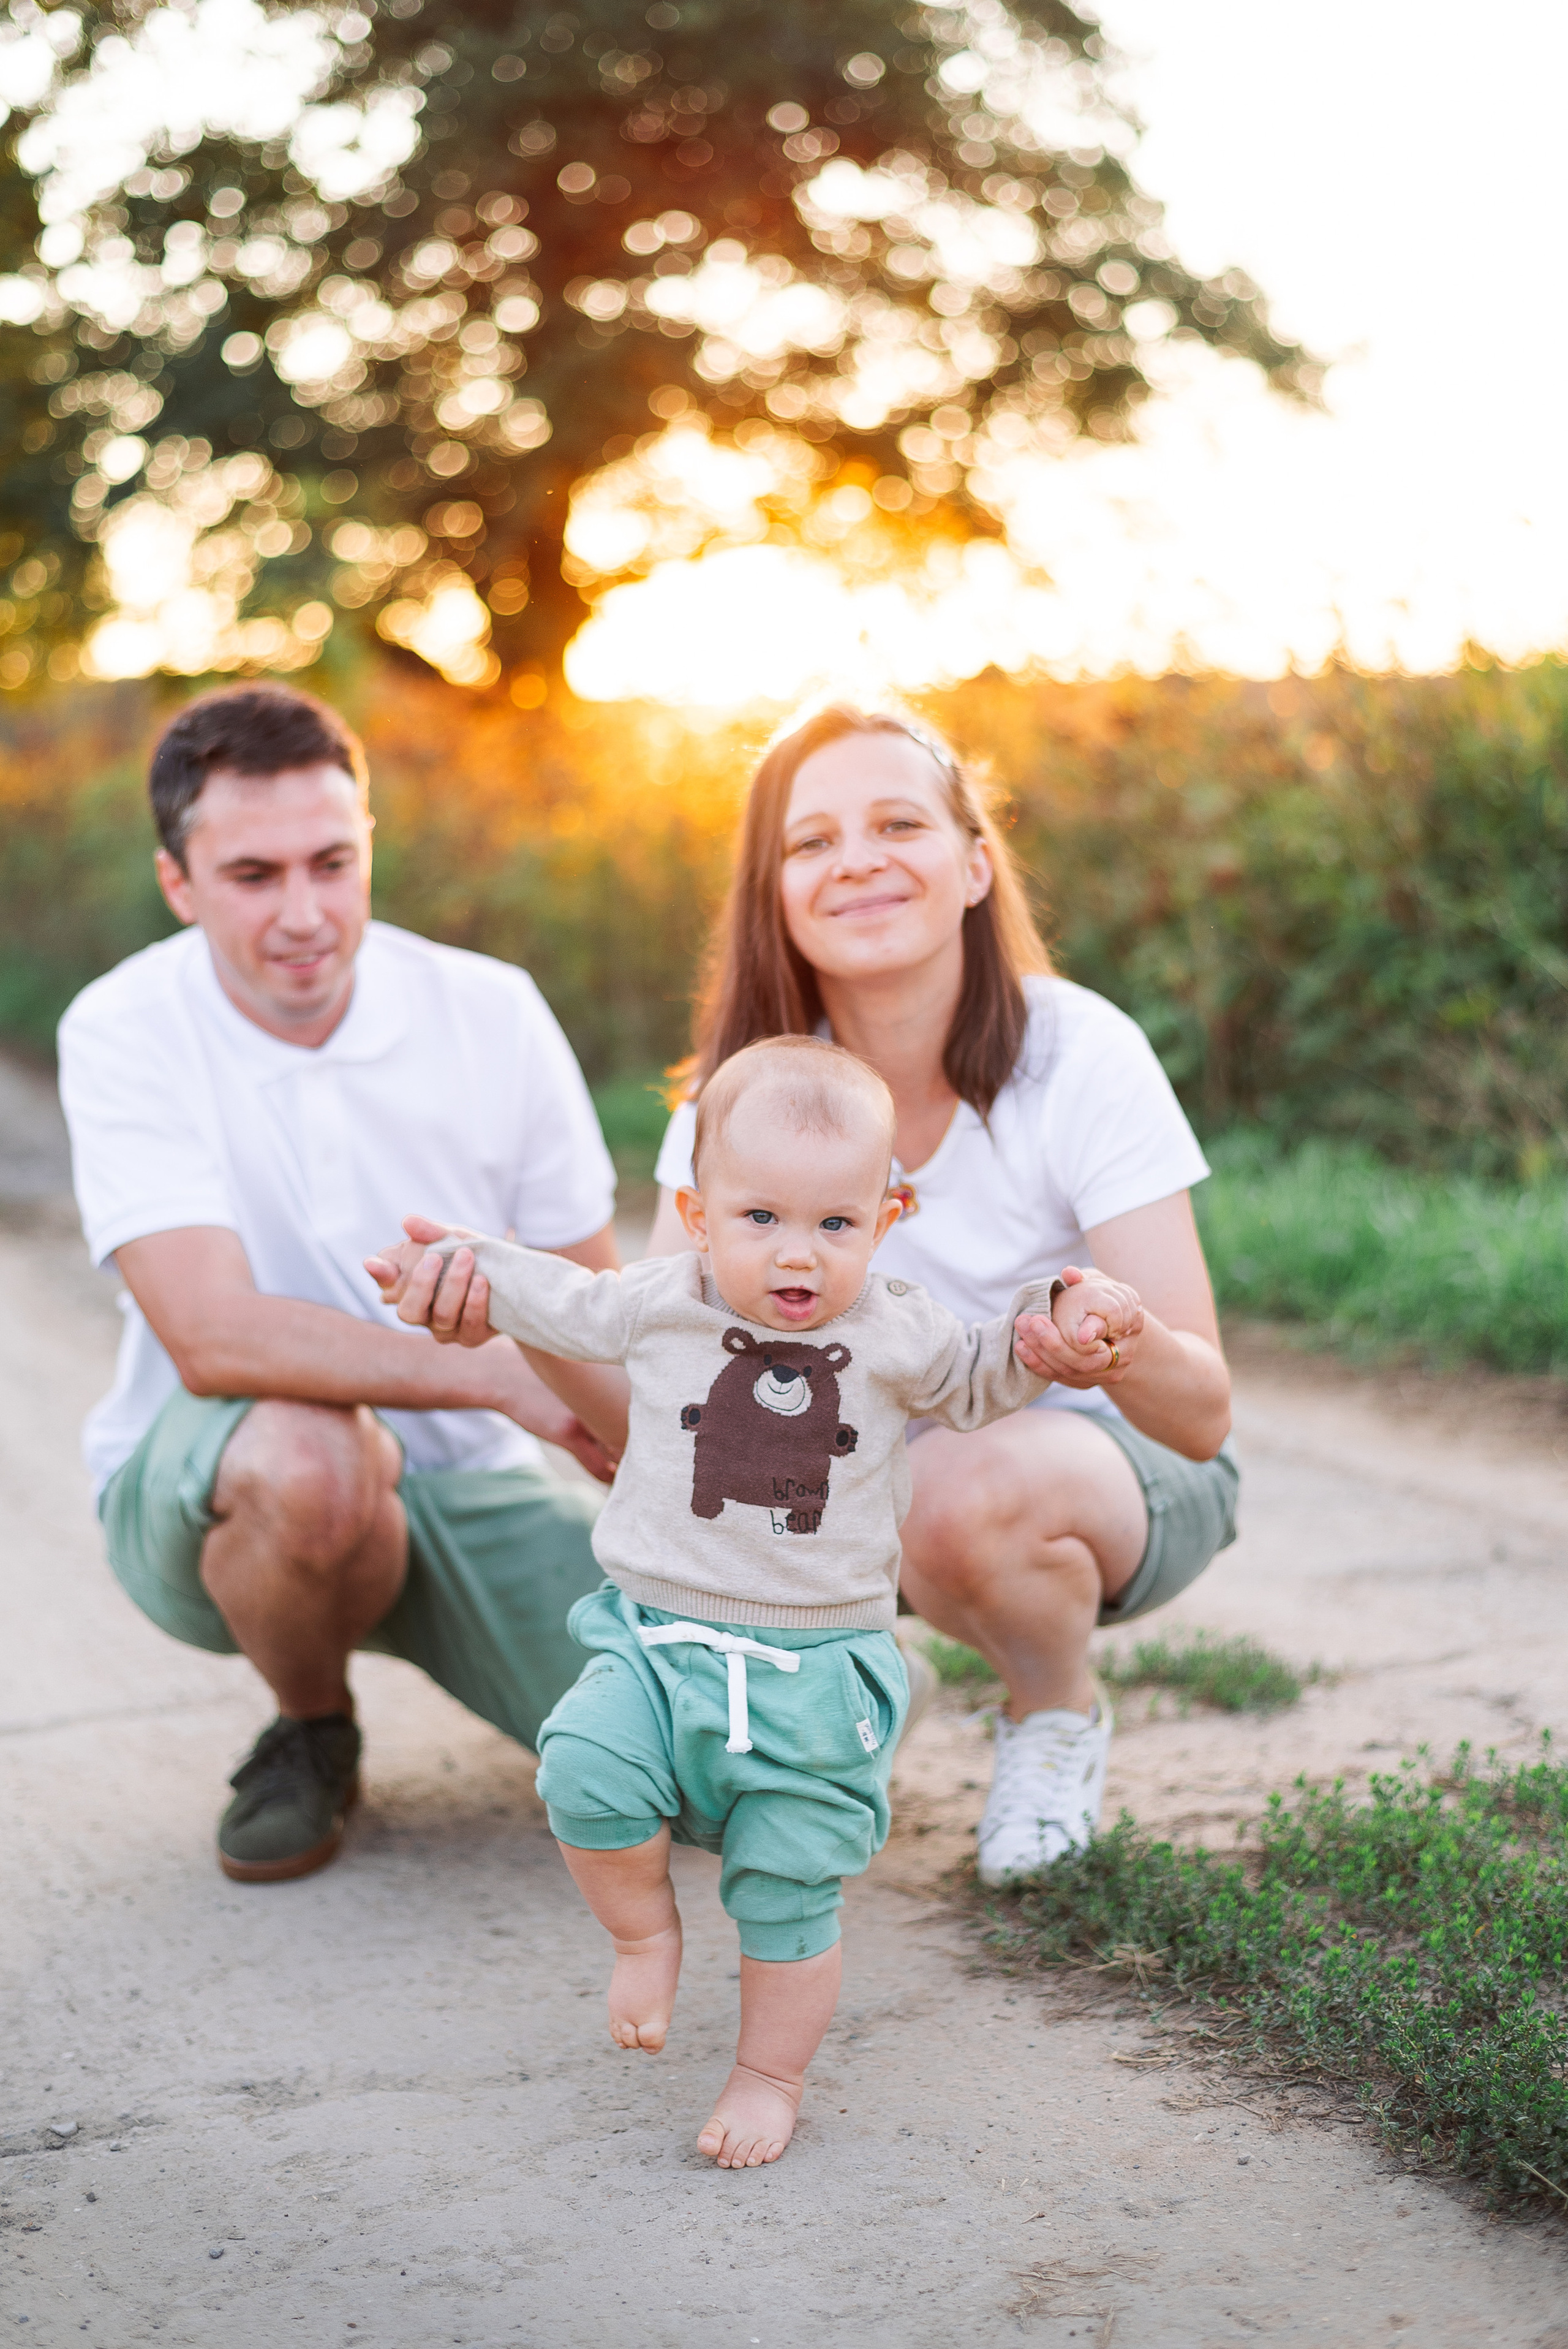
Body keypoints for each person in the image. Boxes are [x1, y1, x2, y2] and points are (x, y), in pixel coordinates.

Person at [366, 1035, 1136, 2166]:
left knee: (787, 1885)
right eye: (760, 1216)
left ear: (889, 1215)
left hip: (818, 1669)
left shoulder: (895, 1328)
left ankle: (769, 2073)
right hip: (651, 1635)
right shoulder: (658, 1302)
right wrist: (472, 1266)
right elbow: (562, 1301)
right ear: (696, 1211)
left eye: (836, 1223)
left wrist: (1053, 1320)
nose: (798, 1253)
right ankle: (643, 1934)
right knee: (581, 1761)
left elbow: (983, 1371)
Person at [641, 705, 1238, 1887]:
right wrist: (514, 1324)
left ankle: (1054, 1713)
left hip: (1103, 1465)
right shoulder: (738, 1095)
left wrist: (1107, 1338)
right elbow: (659, 1374)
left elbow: (1204, 1416)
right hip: (840, 1484)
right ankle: (849, 1686)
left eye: (897, 823)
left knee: (956, 1486)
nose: (855, 857)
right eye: (810, 843)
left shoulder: (1078, 1052)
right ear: (776, 895)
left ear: (974, 865)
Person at [56, 683, 626, 1886]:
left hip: (470, 1491)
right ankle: (311, 1724)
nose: (305, 913)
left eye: (332, 861)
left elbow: (592, 1311)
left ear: (369, 848)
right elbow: (211, 1336)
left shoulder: (491, 1012)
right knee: (312, 1463)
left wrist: (676, 1490)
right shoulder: (122, 1028)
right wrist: (500, 1381)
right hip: (228, 1486)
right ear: (180, 884)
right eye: (254, 876)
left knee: (704, 1774)